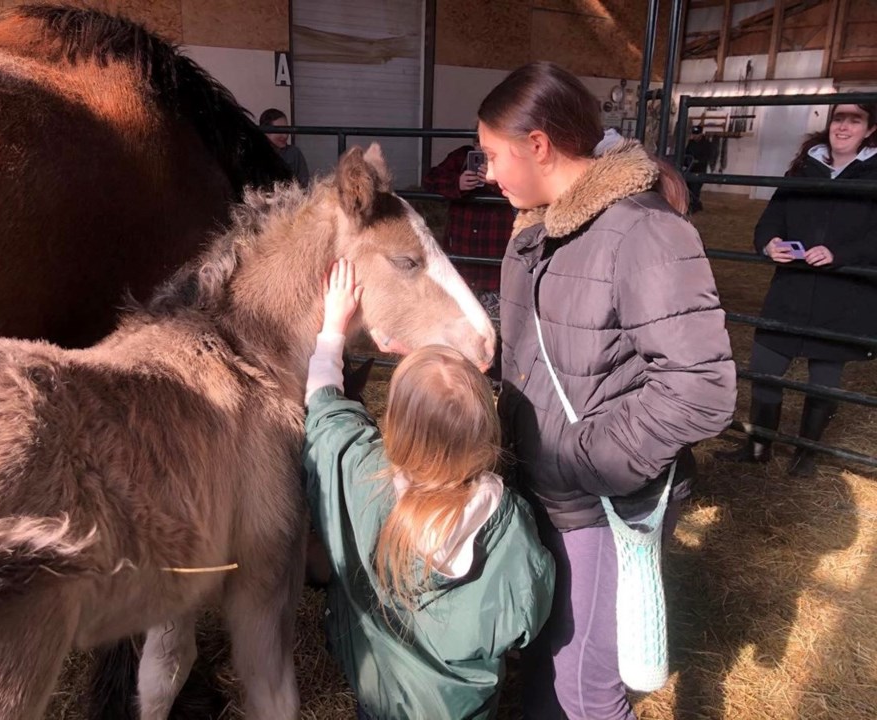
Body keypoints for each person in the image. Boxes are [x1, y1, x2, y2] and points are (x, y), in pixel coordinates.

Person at [477, 62, 737, 720]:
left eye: (491, 155)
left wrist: (585, 463)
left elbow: (701, 387)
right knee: (547, 656)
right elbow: (542, 348)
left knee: (586, 691)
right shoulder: (535, 230)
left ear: (537, 144)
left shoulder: (644, 233)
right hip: (542, 485)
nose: (487, 174)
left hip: (597, 502)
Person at [303, 259, 555, 720]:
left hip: (378, 696)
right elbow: (528, 620)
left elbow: (325, 412)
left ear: (393, 423)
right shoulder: (510, 524)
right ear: (486, 428)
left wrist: (333, 327)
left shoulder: (360, 475)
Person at [721, 102, 877, 476]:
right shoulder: (806, 166)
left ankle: (805, 453)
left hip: (843, 294)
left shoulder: (874, 174)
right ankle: (758, 447)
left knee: (823, 378)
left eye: (854, 120)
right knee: (764, 366)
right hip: (791, 287)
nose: (843, 127)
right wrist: (769, 243)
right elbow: (772, 216)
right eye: (839, 118)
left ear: (870, 130)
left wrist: (842, 254)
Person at [422, 141, 515, 304]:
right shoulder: (461, 157)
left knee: (495, 311)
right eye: (479, 143)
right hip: (462, 248)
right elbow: (430, 180)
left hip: (494, 252)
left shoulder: (510, 161)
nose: (483, 151)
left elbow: (524, 189)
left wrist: (496, 182)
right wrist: (456, 183)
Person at [259, 108, 310, 185]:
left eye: (286, 130)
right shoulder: (256, 155)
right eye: (279, 131)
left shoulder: (294, 153)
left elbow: (304, 184)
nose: (285, 135)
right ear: (266, 131)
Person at [685, 124, 708, 213]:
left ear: (701, 134)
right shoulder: (691, 143)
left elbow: (707, 157)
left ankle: (694, 206)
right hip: (690, 169)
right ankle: (694, 205)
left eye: (696, 134)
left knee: (695, 189)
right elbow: (686, 153)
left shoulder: (706, 144)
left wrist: (697, 161)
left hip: (699, 170)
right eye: (694, 134)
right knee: (689, 188)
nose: (695, 136)